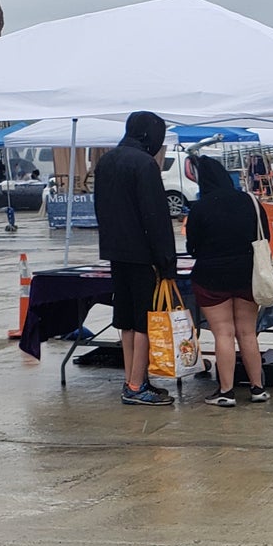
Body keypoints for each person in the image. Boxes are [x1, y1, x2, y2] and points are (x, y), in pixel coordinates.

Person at [93, 110, 177, 406]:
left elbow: (99, 208)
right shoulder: (144, 164)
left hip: (115, 251)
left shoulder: (106, 161)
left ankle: (132, 377)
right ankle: (136, 385)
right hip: (143, 255)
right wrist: (167, 261)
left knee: (126, 319)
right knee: (145, 321)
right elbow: (156, 217)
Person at [184, 154, 270, 408]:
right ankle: (258, 388)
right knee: (247, 333)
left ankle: (226, 391)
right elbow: (263, 237)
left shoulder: (200, 208)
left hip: (211, 278)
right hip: (247, 276)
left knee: (223, 333)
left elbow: (192, 248)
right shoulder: (250, 201)